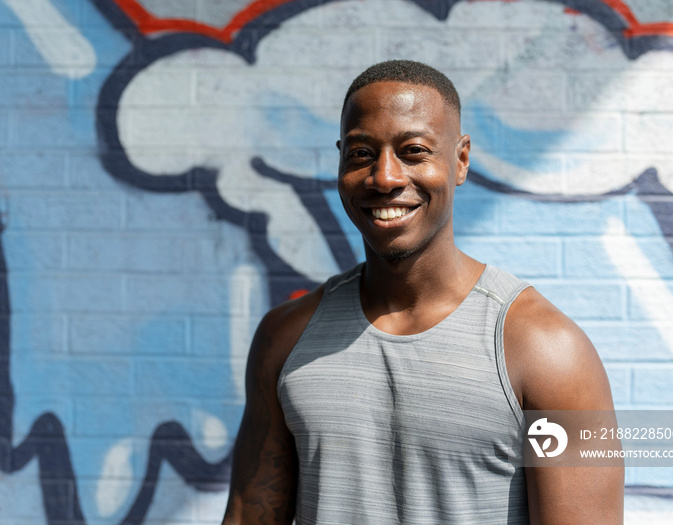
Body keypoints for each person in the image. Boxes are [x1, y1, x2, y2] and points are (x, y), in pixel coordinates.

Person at [221, 60, 623, 524]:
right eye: (360, 153)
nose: (385, 177)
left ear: (461, 160)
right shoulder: (286, 338)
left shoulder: (546, 350)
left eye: (413, 151)